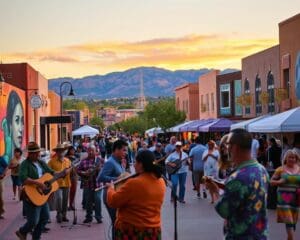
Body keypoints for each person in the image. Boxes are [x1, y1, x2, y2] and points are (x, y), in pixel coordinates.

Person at [215, 129, 269, 240]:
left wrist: (215, 191)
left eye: (228, 144)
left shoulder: (238, 177)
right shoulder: (261, 169)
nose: (227, 148)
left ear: (235, 147)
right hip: (260, 234)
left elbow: (223, 210)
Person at [106, 150, 166, 239]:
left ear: (141, 164)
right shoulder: (161, 181)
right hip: (153, 230)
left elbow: (113, 201)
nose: (133, 165)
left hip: (132, 230)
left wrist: (110, 188)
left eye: (135, 162)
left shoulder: (134, 183)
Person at [16, 142, 68, 240]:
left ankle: (36, 237)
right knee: (33, 221)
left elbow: (51, 172)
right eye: (35, 153)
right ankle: (22, 231)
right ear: (30, 154)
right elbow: (23, 178)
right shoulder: (25, 164)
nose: (38, 154)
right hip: (30, 195)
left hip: (42, 195)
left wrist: (61, 173)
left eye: (38, 152)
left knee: (44, 218)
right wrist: (38, 183)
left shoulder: (41, 162)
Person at [98, 139, 128, 239]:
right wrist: (117, 178)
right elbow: (100, 177)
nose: (125, 153)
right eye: (124, 150)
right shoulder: (110, 162)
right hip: (110, 197)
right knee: (116, 223)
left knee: (118, 223)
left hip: (116, 196)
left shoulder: (118, 162)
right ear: (116, 150)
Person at [270, 149, 300, 240]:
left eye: (294, 157)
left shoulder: (299, 169)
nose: (292, 159)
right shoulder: (280, 169)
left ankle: (290, 234)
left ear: (296, 159)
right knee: (289, 219)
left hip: (296, 198)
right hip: (283, 198)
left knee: (292, 220)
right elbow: (271, 182)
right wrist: (279, 181)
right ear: (285, 158)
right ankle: (290, 236)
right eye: (290, 157)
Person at [77, 144, 103, 224]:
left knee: (97, 199)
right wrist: (84, 173)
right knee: (88, 201)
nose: (91, 152)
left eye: (93, 150)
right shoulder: (83, 161)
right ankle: (89, 217)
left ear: (95, 151)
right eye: (89, 150)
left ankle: (98, 217)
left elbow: (105, 171)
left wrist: (100, 169)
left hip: (98, 184)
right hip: (88, 184)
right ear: (87, 151)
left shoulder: (100, 160)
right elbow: (78, 170)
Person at [48, 144, 71, 223]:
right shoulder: (51, 161)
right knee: (59, 198)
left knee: (65, 200)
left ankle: (64, 215)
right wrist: (57, 173)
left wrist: (70, 171)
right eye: (58, 151)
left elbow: (71, 170)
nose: (60, 152)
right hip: (57, 184)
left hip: (66, 183)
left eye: (61, 150)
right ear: (56, 152)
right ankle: (59, 214)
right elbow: (48, 172)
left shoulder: (67, 160)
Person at [1, 90, 25, 164]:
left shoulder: (23, 160)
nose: (21, 129)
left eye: (22, 121)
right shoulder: (4, 160)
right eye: (17, 120)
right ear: (9, 125)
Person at [65, 146, 78, 210]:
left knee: (73, 190)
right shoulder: (66, 158)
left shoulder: (76, 157)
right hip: (68, 176)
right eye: (71, 150)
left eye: (73, 150)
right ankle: (66, 205)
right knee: (67, 191)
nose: (73, 151)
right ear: (69, 150)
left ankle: (71, 204)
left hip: (74, 175)